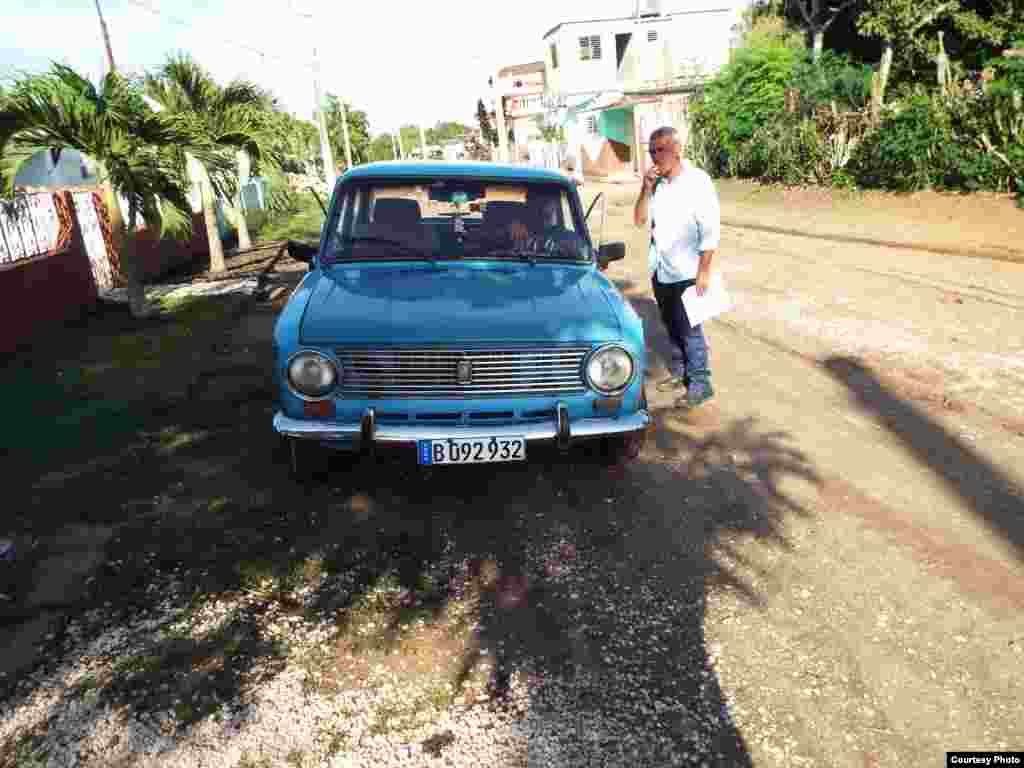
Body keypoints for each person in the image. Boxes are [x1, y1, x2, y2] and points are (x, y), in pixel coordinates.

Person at [633, 125, 720, 409]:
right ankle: (681, 371)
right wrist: (645, 189)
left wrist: (704, 271)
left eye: (662, 150)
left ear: (677, 150)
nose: (657, 157)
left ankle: (700, 383)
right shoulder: (657, 184)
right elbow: (639, 219)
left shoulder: (698, 182)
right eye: (652, 151)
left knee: (690, 329)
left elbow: (710, 230)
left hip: (688, 271)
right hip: (661, 269)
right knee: (671, 325)